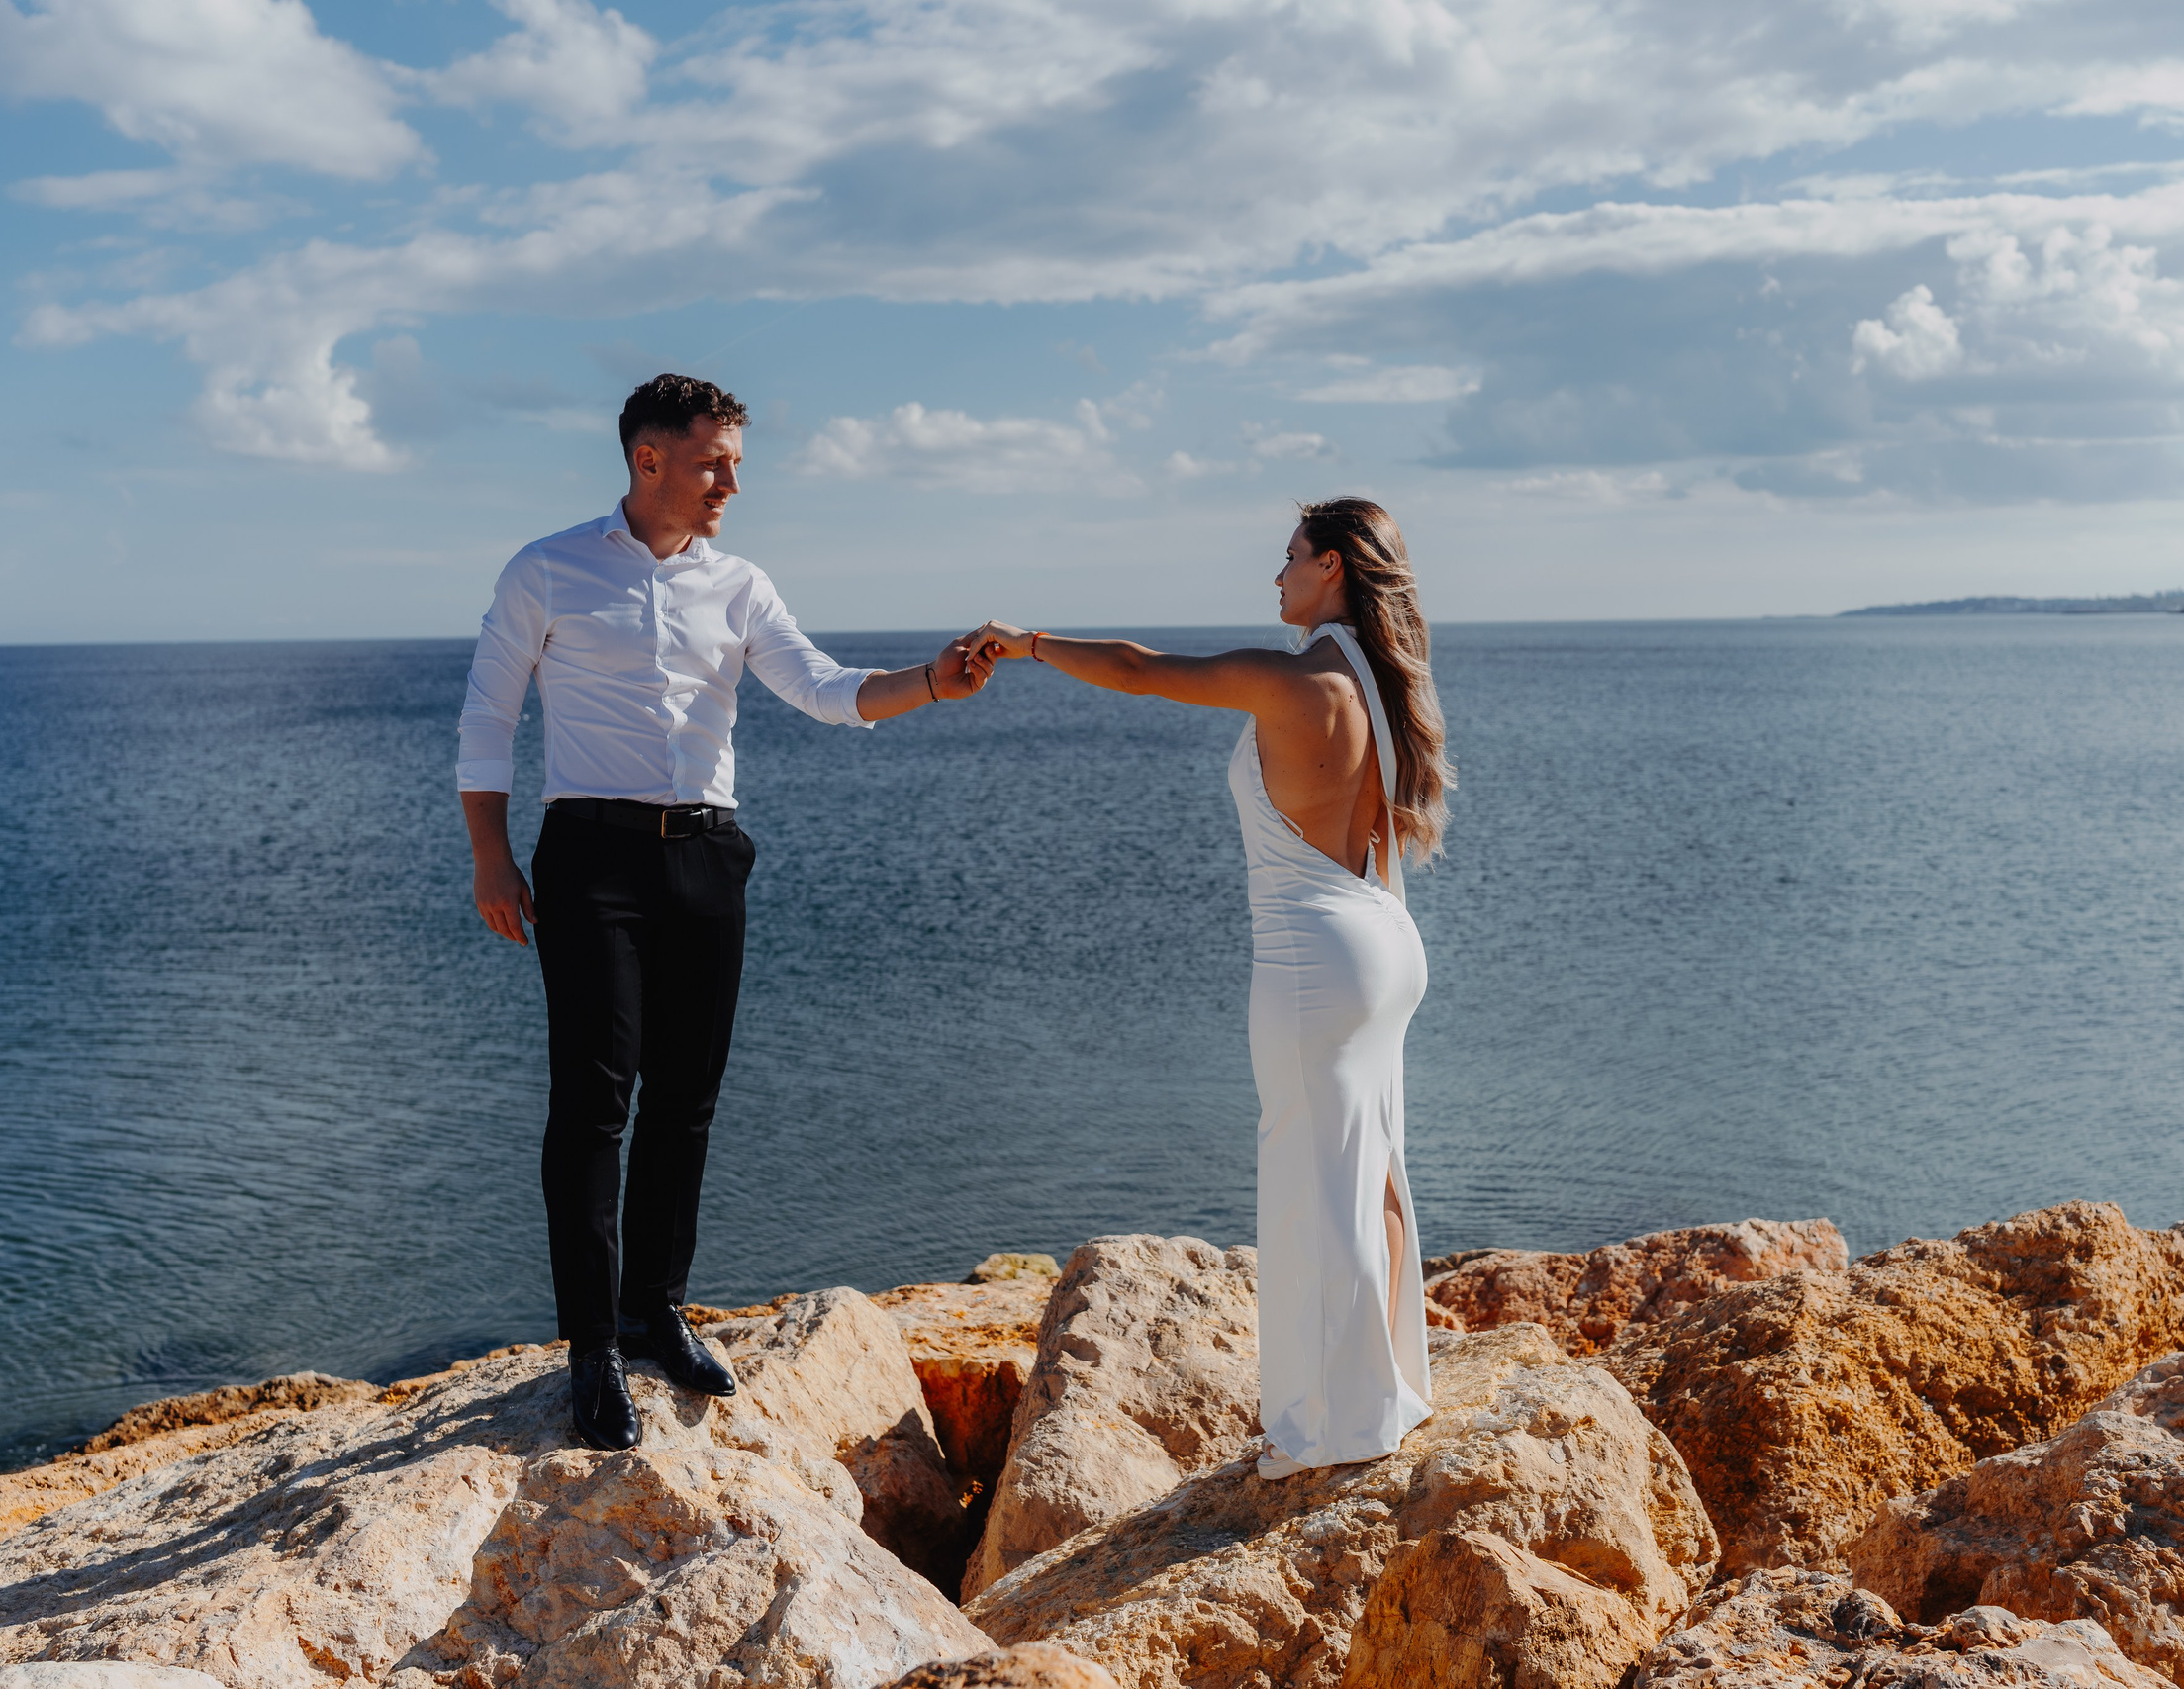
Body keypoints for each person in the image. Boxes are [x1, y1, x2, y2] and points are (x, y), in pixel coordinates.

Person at [456, 373, 992, 1452]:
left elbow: (826, 690)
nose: (731, 485)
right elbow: (486, 720)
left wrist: (932, 680)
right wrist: (490, 859)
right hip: (591, 859)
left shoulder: (741, 584)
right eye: (714, 463)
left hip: (708, 856)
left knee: (686, 1101)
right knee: (593, 1103)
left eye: (736, 464)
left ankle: (655, 1312)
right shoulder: (546, 569)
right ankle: (591, 1346)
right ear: (647, 458)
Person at [969, 497, 1454, 1476]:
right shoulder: (1385, 682)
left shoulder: (1295, 679)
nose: (1276, 575)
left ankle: (1336, 1426)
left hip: (1315, 959)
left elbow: (1139, 668)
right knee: (1374, 1173)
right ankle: (1390, 1390)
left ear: (1331, 566)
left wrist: (1030, 644)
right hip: (1386, 942)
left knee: (1313, 1185)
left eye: (1290, 557)